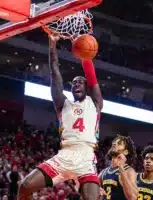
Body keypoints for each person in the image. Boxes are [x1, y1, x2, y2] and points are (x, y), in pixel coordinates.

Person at [17, 34, 103, 200]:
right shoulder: (62, 104)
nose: (76, 84)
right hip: (65, 155)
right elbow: (55, 72)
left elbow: (92, 78)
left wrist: (85, 56)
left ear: (87, 88)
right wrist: (52, 46)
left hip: (86, 158)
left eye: (80, 82)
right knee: (25, 186)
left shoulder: (95, 103)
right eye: (73, 83)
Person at [99, 135, 138, 200]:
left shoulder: (129, 171)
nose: (114, 144)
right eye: (114, 142)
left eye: (119, 143)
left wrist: (121, 169)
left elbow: (133, 197)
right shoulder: (103, 172)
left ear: (126, 152)